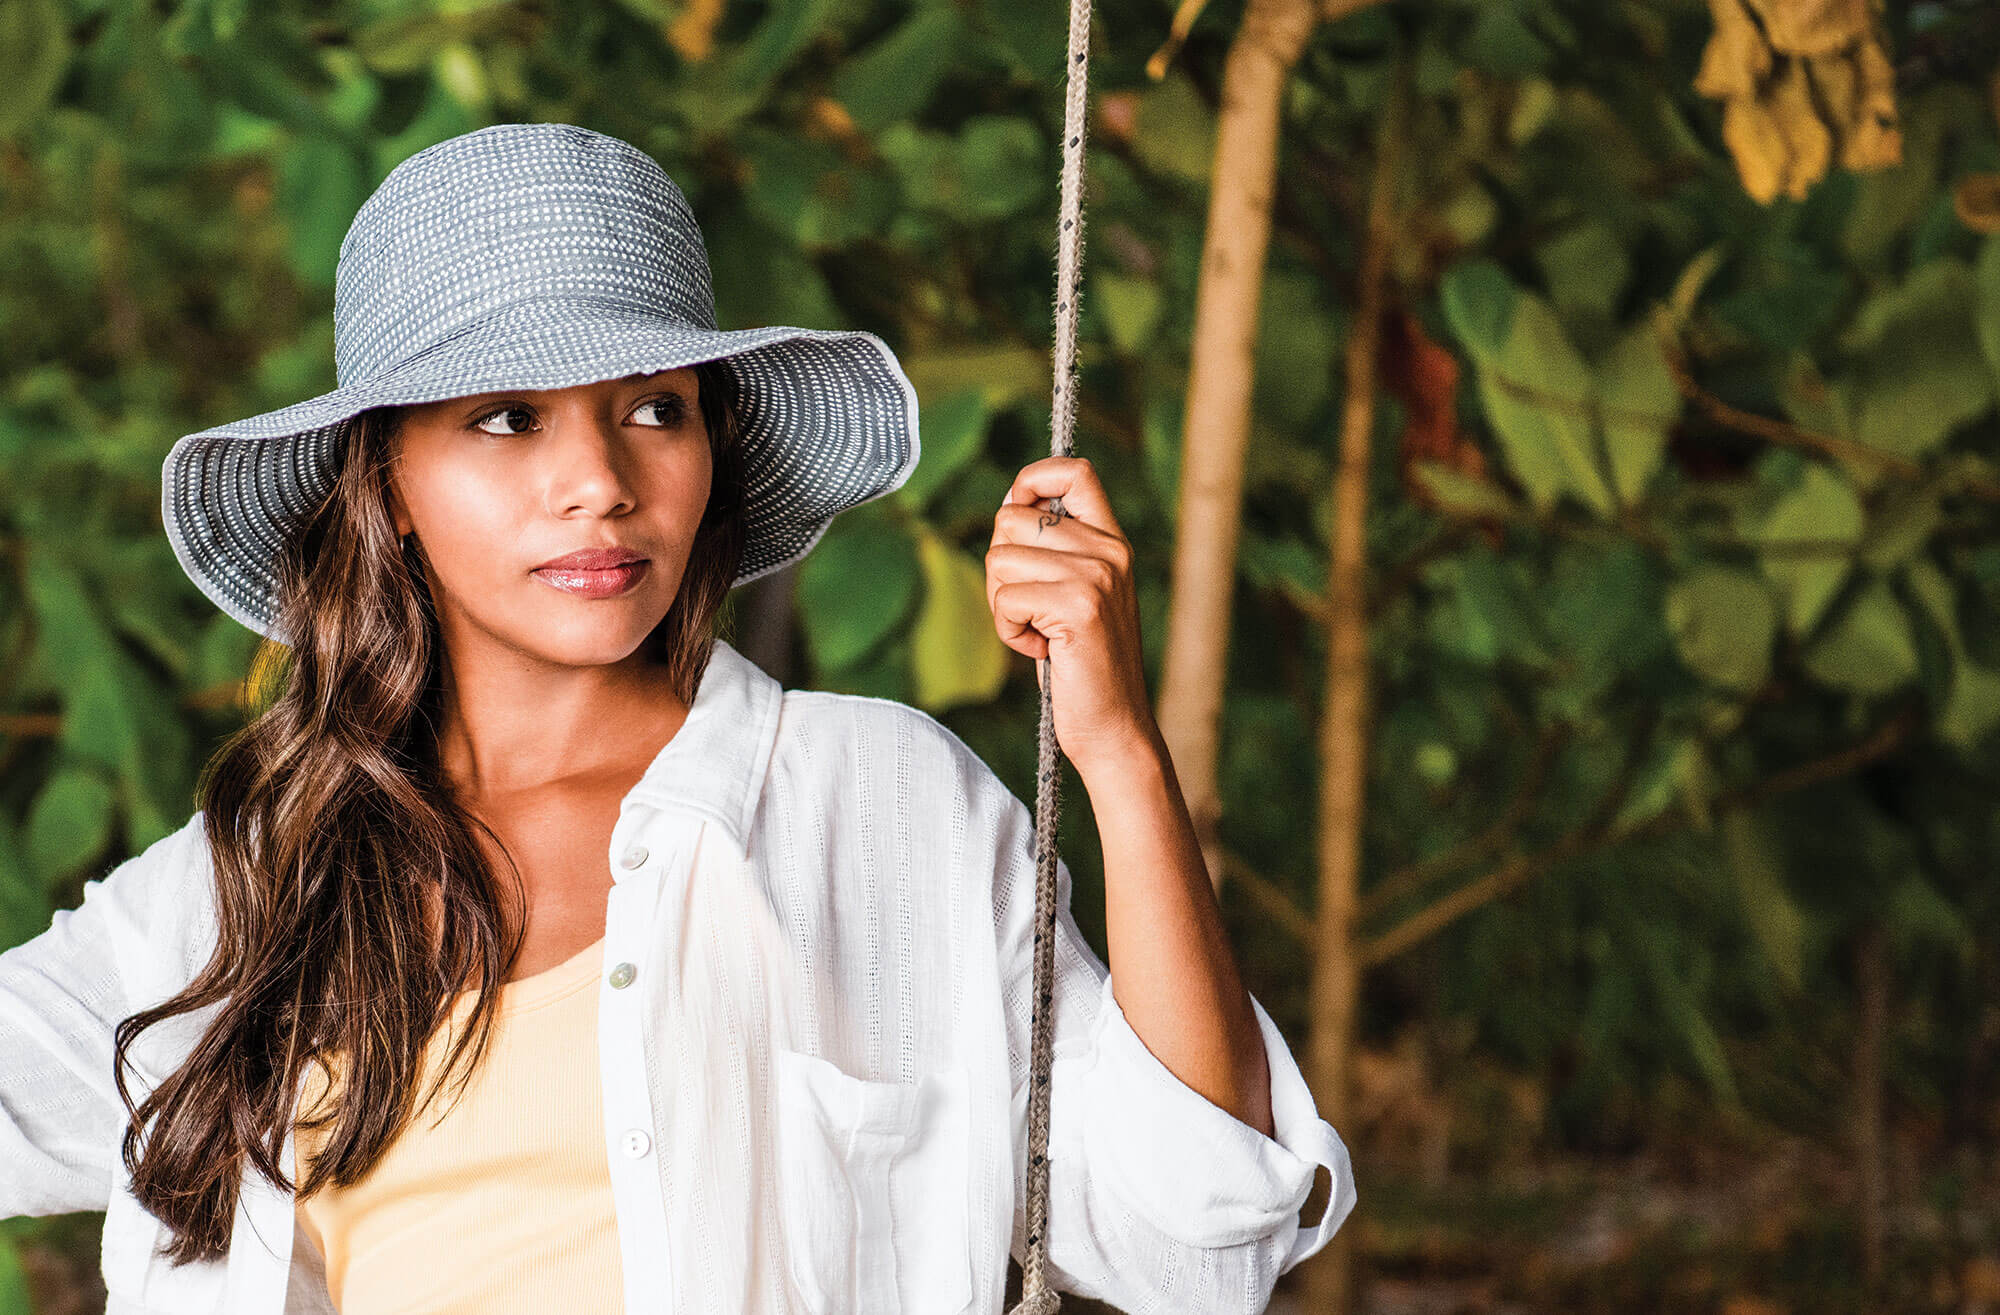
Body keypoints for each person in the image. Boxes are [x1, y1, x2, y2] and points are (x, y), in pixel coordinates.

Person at [0, 122, 1354, 1315]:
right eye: (509, 418)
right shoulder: (258, 879)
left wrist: (1118, 752)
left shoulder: (881, 809)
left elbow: (1204, 1235)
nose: (599, 481)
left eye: (656, 408)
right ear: (388, 482)